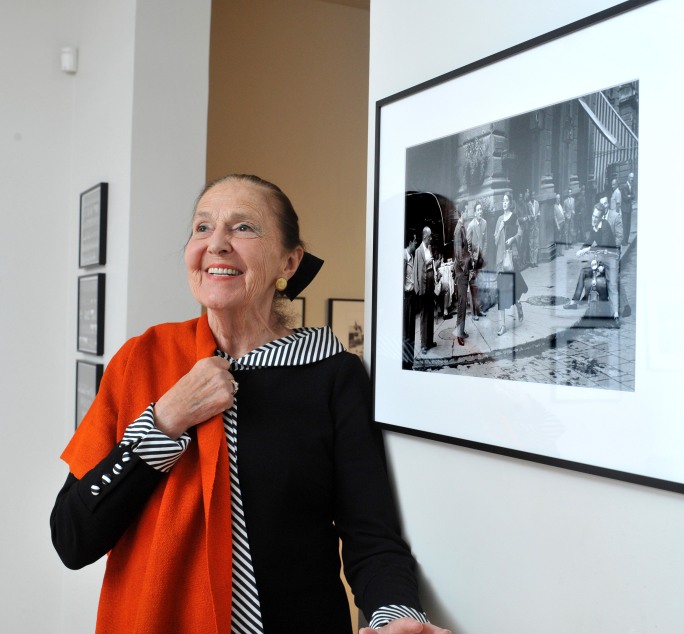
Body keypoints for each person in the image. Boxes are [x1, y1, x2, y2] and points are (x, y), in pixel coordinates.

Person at [50, 174, 450, 634]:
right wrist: (163, 423)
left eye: (244, 228)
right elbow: (71, 536)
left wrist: (394, 614)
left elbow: (372, 534)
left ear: (289, 260)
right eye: (202, 228)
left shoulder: (332, 375)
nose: (217, 243)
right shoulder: (142, 360)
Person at [563, 202, 619, 317]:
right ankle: (574, 301)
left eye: (597, 217)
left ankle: (615, 314)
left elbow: (603, 244)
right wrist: (581, 249)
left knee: (612, 284)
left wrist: (587, 249)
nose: (594, 219)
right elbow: (589, 240)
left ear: (602, 217)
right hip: (600, 256)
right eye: (593, 216)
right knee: (584, 271)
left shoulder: (605, 226)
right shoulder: (594, 226)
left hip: (611, 256)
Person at [494, 193, 528, 335]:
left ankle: (518, 304)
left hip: (512, 259)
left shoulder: (514, 217)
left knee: (515, 287)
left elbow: (520, 233)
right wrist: (501, 228)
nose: (505, 202)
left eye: (507, 200)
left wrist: (513, 239)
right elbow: (495, 240)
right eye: (503, 200)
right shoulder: (499, 220)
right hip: (502, 260)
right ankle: (502, 325)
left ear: (510, 203)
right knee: (502, 292)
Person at [413, 226, 437, 354]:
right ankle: (423, 344)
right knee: (424, 315)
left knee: (430, 312)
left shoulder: (429, 248)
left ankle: (429, 341)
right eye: (430, 236)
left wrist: (434, 267)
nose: (431, 239)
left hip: (430, 283)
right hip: (423, 285)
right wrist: (417, 289)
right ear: (425, 237)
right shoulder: (418, 251)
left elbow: (431, 265)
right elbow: (417, 270)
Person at [453, 205, 471, 346]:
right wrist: (465, 268)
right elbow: (459, 254)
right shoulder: (459, 229)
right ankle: (459, 334)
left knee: (463, 303)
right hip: (461, 272)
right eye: (467, 210)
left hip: (463, 271)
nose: (468, 212)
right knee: (461, 303)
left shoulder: (462, 227)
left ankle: (461, 331)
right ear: (462, 212)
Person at [466, 202, 487, 320]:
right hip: (473, 260)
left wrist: (483, 254)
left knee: (481, 284)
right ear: (474, 213)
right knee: (473, 285)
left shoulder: (484, 223)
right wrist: (472, 259)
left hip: (481, 258)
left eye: (481, 209)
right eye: (478, 210)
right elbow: (468, 245)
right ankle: (474, 313)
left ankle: (480, 309)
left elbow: (486, 241)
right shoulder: (471, 226)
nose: (480, 211)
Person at [402, 228, 417, 369]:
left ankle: (409, 362)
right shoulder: (404, 257)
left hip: (411, 297)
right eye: (415, 240)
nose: (416, 243)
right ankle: (405, 363)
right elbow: (401, 280)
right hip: (406, 298)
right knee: (406, 332)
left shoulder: (411, 257)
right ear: (410, 241)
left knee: (411, 332)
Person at [525, 190, 540, 268]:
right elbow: (527, 215)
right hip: (531, 226)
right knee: (531, 244)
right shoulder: (528, 205)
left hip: (536, 226)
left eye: (534, 195)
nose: (533, 197)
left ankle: (535, 261)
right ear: (530, 197)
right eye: (532, 196)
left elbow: (539, 212)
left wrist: (537, 216)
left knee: (536, 244)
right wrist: (531, 217)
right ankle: (532, 262)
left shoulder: (537, 203)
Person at [621, 172, 635, 245]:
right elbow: (625, 198)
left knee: (628, 225)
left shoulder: (631, 186)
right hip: (625, 209)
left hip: (629, 208)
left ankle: (626, 240)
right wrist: (630, 196)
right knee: (625, 225)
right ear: (628, 177)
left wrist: (630, 196)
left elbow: (634, 196)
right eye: (631, 177)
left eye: (633, 178)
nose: (632, 179)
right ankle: (624, 241)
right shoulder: (624, 186)